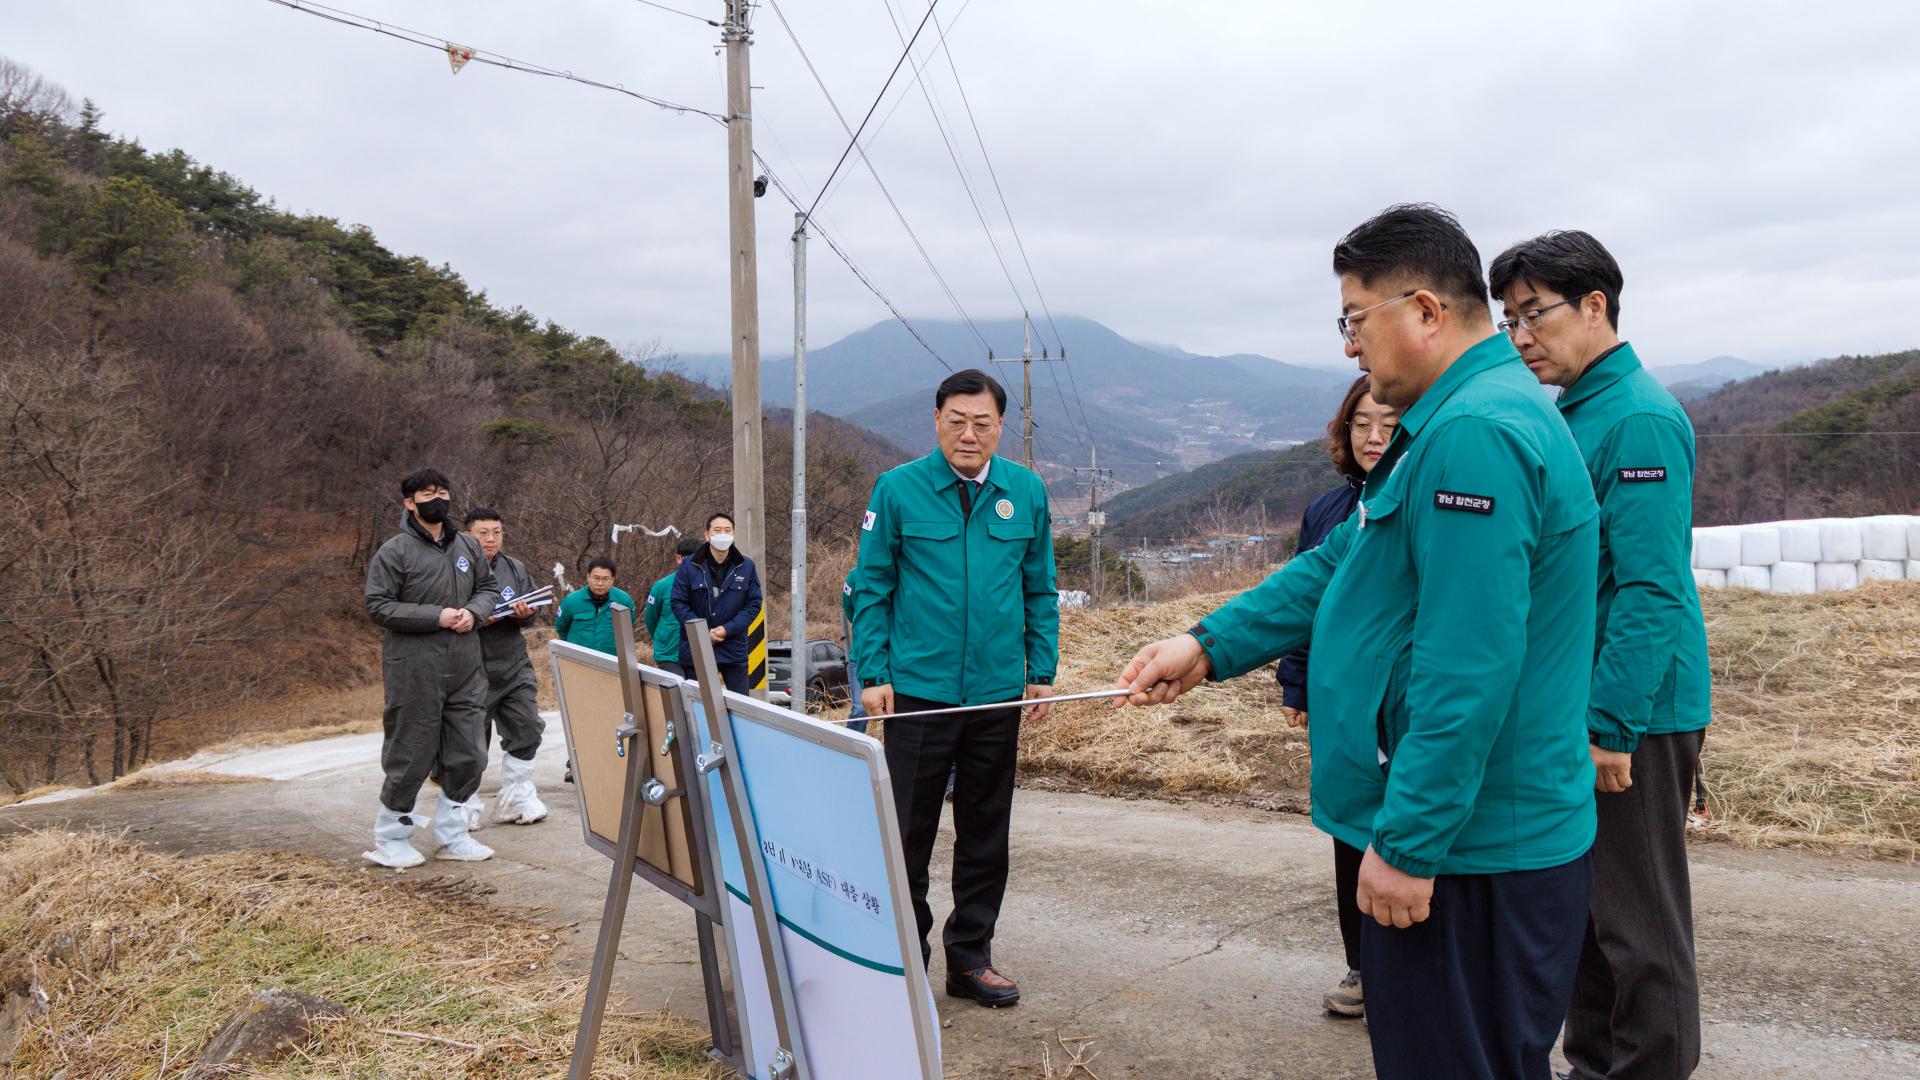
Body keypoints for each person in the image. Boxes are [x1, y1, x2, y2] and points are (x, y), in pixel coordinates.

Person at [1113, 204, 1600, 1079]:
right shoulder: (1447, 426)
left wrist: (1409, 845)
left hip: (1474, 850)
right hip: (1474, 835)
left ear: (1423, 310)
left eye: (1353, 319)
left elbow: (1468, 665)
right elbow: (1343, 559)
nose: (1348, 347)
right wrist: (1209, 640)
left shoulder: (1473, 438)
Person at [1490, 230, 1711, 1080]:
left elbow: (1652, 589)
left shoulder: (1640, 418)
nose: (1521, 337)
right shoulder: (1580, 411)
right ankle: (1593, 1064)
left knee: (1638, 922)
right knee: (1584, 915)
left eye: (1534, 313)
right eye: (1509, 320)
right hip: (1582, 706)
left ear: (1596, 306)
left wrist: (1612, 724)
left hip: (1632, 713)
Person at [852, 368, 1059, 1008]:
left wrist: (1040, 672)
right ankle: (903, 955)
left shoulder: (1025, 492)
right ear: (937, 420)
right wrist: (875, 672)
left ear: (1001, 426)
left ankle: (970, 958)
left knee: (985, 830)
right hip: (918, 691)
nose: (970, 434)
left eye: (984, 423)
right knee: (906, 830)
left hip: (996, 694)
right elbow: (872, 586)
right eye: (957, 421)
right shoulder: (898, 490)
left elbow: (1039, 588)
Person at [1273, 374, 1400, 1019]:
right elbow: (1303, 603)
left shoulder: (1419, 499)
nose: (1374, 436)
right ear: (1344, 433)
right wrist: (1295, 680)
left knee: (1406, 832)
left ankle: (1412, 972)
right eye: (1361, 424)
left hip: (1398, 700)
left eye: (1387, 422)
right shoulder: (1327, 511)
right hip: (1338, 698)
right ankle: (1362, 967)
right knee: (1349, 832)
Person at [362, 468, 501, 868]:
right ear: (410, 502)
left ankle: (454, 835)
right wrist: (434, 616)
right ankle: (390, 837)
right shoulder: (395, 551)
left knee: (470, 752)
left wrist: (474, 613)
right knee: (411, 752)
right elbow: (378, 605)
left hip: (465, 665)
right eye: (427, 493)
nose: (437, 498)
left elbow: (487, 588)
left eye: (442, 491)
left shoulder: (468, 548)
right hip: (414, 667)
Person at [462, 508, 548, 827]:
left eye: (496, 532)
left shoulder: (514, 567)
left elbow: (531, 613)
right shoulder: (455, 568)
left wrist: (523, 613)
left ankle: (516, 796)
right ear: (467, 535)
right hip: (470, 665)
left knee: (527, 726)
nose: (491, 538)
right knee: (469, 740)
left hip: (512, 662)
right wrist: (479, 616)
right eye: (483, 532)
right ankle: (462, 802)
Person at [670, 512, 764, 693]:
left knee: (741, 707)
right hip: (698, 648)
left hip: (734, 648)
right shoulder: (690, 566)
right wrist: (703, 632)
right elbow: (678, 603)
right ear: (707, 535)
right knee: (699, 705)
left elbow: (753, 604)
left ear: (734, 534)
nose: (723, 534)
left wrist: (727, 629)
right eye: (717, 530)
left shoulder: (746, 566)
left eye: (727, 530)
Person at [646, 536, 702, 677]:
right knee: (675, 691)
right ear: (679, 559)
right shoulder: (661, 586)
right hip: (668, 654)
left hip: (697, 654)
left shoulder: (708, 586)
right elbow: (651, 619)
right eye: (687, 560)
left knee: (695, 695)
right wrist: (662, 638)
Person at [554, 557, 634, 655]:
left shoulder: (623, 600)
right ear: (588, 577)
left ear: (612, 579)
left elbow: (628, 627)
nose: (600, 583)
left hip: (611, 659)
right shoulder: (571, 601)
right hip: (578, 659)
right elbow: (561, 628)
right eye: (596, 578)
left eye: (605, 579)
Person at [841, 570, 867, 733]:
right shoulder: (853, 576)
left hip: (895, 656)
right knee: (860, 710)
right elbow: (848, 608)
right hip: (860, 655)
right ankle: (851, 753)